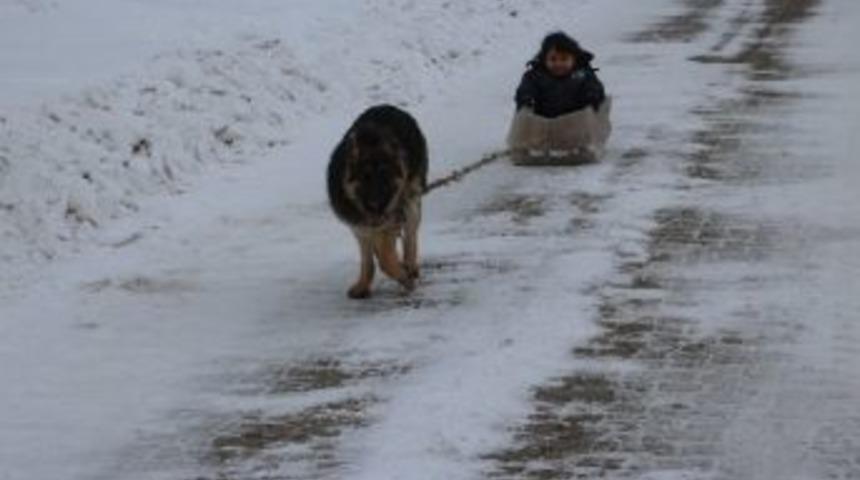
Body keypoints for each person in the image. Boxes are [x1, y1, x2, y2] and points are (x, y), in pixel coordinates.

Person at [515, 31, 606, 119]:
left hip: (577, 122)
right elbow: (526, 89)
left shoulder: (583, 74)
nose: (558, 64)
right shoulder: (535, 76)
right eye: (553, 59)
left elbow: (594, 86)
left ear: (574, 59)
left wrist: (593, 96)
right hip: (543, 125)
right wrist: (526, 99)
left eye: (564, 59)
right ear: (544, 59)